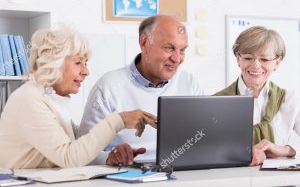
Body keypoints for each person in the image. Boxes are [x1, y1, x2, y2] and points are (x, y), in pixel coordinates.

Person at [0, 28, 156, 169]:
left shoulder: (50, 99)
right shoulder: (29, 99)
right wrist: (119, 120)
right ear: (54, 63)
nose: (86, 71)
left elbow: (76, 147)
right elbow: (69, 158)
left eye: (85, 63)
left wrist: (109, 157)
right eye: (78, 63)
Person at [78, 14, 203, 166]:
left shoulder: (189, 83)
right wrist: (109, 157)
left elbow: (203, 140)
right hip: (128, 175)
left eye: (182, 50)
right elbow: (82, 152)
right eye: (169, 48)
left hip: (182, 173)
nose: (177, 59)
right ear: (144, 43)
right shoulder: (109, 86)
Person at [215, 26, 300, 166]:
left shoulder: (290, 99)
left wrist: (286, 150)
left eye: (264, 59)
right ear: (238, 59)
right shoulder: (216, 102)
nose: (255, 65)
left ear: (277, 62)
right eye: (248, 58)